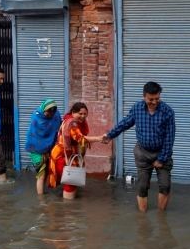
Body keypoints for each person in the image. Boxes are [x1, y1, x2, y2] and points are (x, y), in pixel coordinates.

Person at [103, 81, 176, 212]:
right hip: (142, 153)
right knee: (142, 186)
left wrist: (162, 158)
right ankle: (143, 217)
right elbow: (125, 123)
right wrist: (110, 135)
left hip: (162, 153)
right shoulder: (137, 108)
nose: (154, 102)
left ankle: (161, 215)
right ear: (144, 96)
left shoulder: (167, 112)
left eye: (157, 99)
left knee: (165, 185)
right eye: (150, 99)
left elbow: (169, 138)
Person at [48, 102, 103, 200]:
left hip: (66, 157)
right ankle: (69, 212)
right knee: (70, 185)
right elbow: (80, 139)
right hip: (63, 158)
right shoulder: (72, 123)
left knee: (71, 182)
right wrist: (99, 138)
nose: (83, 116)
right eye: (80, 113)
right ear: (73, 112)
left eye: (85, 114)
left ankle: (66, 210)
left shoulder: (71, 121)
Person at [25, 99, 62, 195]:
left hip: (50, 148)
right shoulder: (37, 118)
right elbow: (35, 136)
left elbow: (59, 126)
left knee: (46, 172)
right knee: (41, 174)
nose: (49, 115)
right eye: (47, 112)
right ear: (43, 109)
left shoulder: (56, 115)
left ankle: (42, 195)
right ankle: (41, 202)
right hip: (36, 149)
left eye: (51, 113)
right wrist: (43, 151)